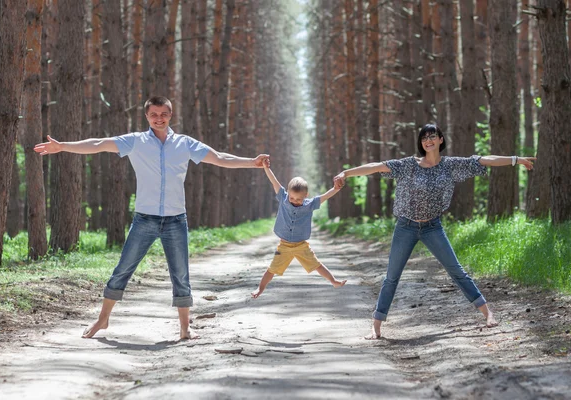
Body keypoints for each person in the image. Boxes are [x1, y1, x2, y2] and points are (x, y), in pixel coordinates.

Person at [34, 96, 269, 340]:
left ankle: (185, 328)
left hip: (176, 220)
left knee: (180, 273)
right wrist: (62, 146)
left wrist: (253, 163)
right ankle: (102, 320)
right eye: (154, 114)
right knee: (123, 269)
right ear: (146, 116)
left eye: (163, 114)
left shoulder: (185, 144)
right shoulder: (135, 142)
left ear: (171, 115)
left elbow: (220, 158)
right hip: (144, 220)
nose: (159, 118)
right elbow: (98, 144)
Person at [333, 124, 535, 339]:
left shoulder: (450, 165)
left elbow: (483, 160)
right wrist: (346, 173)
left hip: (432, 227)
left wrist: (516, 159)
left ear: (440, 139)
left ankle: (487, 314)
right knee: (391, 277)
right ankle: (376, 327)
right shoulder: (407, 165)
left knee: (456, 270)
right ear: (421, 143)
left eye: (432, 136)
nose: (428, 140)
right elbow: (375, 167)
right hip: (406, 227)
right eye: (424, 138)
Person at [251, 159, 347, 298]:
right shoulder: (283, 198)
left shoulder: (310, 204)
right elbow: (274, 181)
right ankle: (260, 289)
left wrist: (336, 188)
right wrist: (266, 168)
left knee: (317, 264)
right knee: (271, 269)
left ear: (306, 196)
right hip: (284, 246)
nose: (295, 201)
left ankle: (334, 281)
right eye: (292, 198)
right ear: (288, 193)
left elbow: (325, 196)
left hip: (302, 246)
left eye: (299, 199)